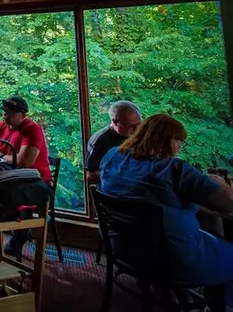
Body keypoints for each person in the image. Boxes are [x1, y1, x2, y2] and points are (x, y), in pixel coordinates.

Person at [100, 114, 233, 306]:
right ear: (169, 140)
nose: (180, 147)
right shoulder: (174, 170)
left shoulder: (112, 156)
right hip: (171, 259)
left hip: (123, 248)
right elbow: (228, 203)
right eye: (180, 141)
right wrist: (220, 184)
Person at [0, 96, 52, 182]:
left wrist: (0, 156)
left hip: (34, 181)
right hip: (10, 177)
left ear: (23, 115)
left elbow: (24, 162)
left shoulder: (32, 130)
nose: (5, 115)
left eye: (10, 112)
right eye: (4, 111)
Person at [85, 100, 142, 184]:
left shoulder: (140, 133)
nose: (137, 129)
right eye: (130, 125)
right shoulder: (100, 141)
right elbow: (91, 176)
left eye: (139, 124)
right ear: (115, 122)